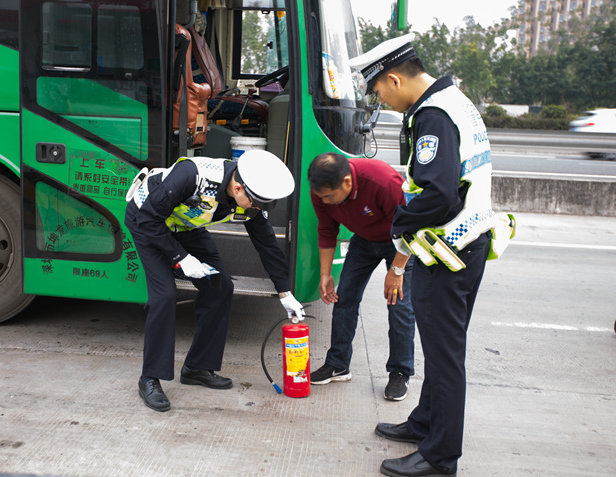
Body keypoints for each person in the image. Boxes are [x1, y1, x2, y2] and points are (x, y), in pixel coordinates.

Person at [350, 33, 496, 476]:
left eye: (377, 91)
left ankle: (439, 457)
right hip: (468, 242)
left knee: (445, 355)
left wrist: (398, 225)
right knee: (441, 348)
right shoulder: (454, 101)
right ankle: (426, 423)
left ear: (393, 79)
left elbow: (437, 194)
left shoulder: (432, 115)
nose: (381, 100)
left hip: (447, 252)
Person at [124, 150, 304, 412]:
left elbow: (266, 243)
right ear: (239, 187)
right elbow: (148, 219)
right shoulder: (193, 175)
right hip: (148, 220)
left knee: (221, 287)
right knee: (164, 294)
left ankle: (196, 366)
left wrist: (285, 293)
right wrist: (181, 257)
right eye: (254, 204)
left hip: (185, 227)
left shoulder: (249, 200)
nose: (255, 210)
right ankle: (149, 378)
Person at [307, 153, 416, 401]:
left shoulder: (382, 181)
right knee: (344, 299)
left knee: (398, 304)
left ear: (347, 182)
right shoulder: (321, 190)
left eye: (329, 197)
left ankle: (400, 372)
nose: (325, 201)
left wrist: (397, 270)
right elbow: (326, 229)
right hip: (363, 242)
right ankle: (338, 364)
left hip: (398, 243)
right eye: (321, 196)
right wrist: (325, 274)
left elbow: (411, 227)